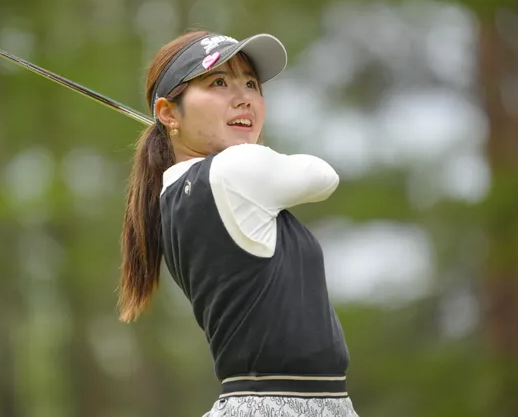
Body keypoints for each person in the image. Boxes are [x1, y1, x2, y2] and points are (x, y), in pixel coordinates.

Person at [118, 30, 359, 417]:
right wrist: (250, 149)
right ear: (168, 113)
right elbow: (323, 176)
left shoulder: (175, 193)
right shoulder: (234, 170)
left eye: (251, 84)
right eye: (218, 82)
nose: (243, 97)